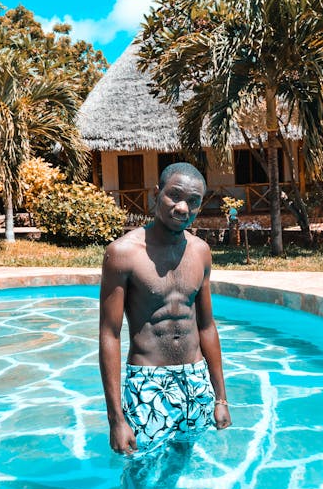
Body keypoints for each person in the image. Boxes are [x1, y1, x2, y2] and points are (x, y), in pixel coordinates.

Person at [99, 162, 231, 455]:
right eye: (175, 196)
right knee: (140, 473)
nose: (183, 207)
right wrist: (116, 419)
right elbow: (109, 334)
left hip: (196, 381)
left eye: (193, 201)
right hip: (148, 382)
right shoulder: (122, 254)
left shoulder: (201, 252)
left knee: (188, 463)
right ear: (156, 195)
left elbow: (207, 326)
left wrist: (220, 398)